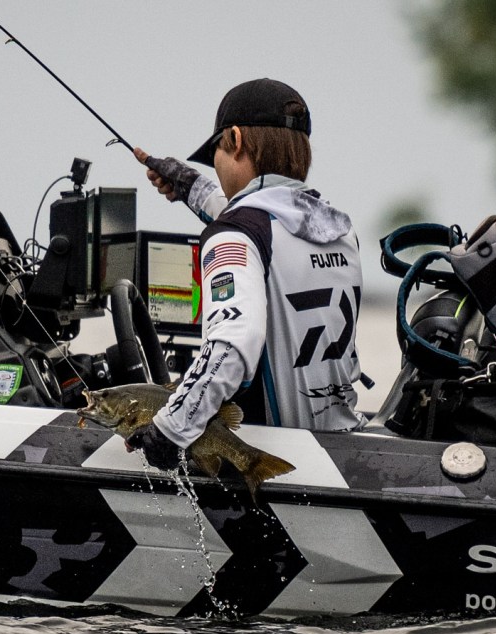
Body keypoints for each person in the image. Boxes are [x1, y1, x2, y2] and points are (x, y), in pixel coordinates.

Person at [128, 78, 366, 469]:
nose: (217, 169)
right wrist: (191, 186)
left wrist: (171, 428)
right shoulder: (338, 228)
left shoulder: (235, 234)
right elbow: (265, 220)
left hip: (282, 464)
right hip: (341, 447)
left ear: (235, 140)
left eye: (216, 154)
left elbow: (231, 346)